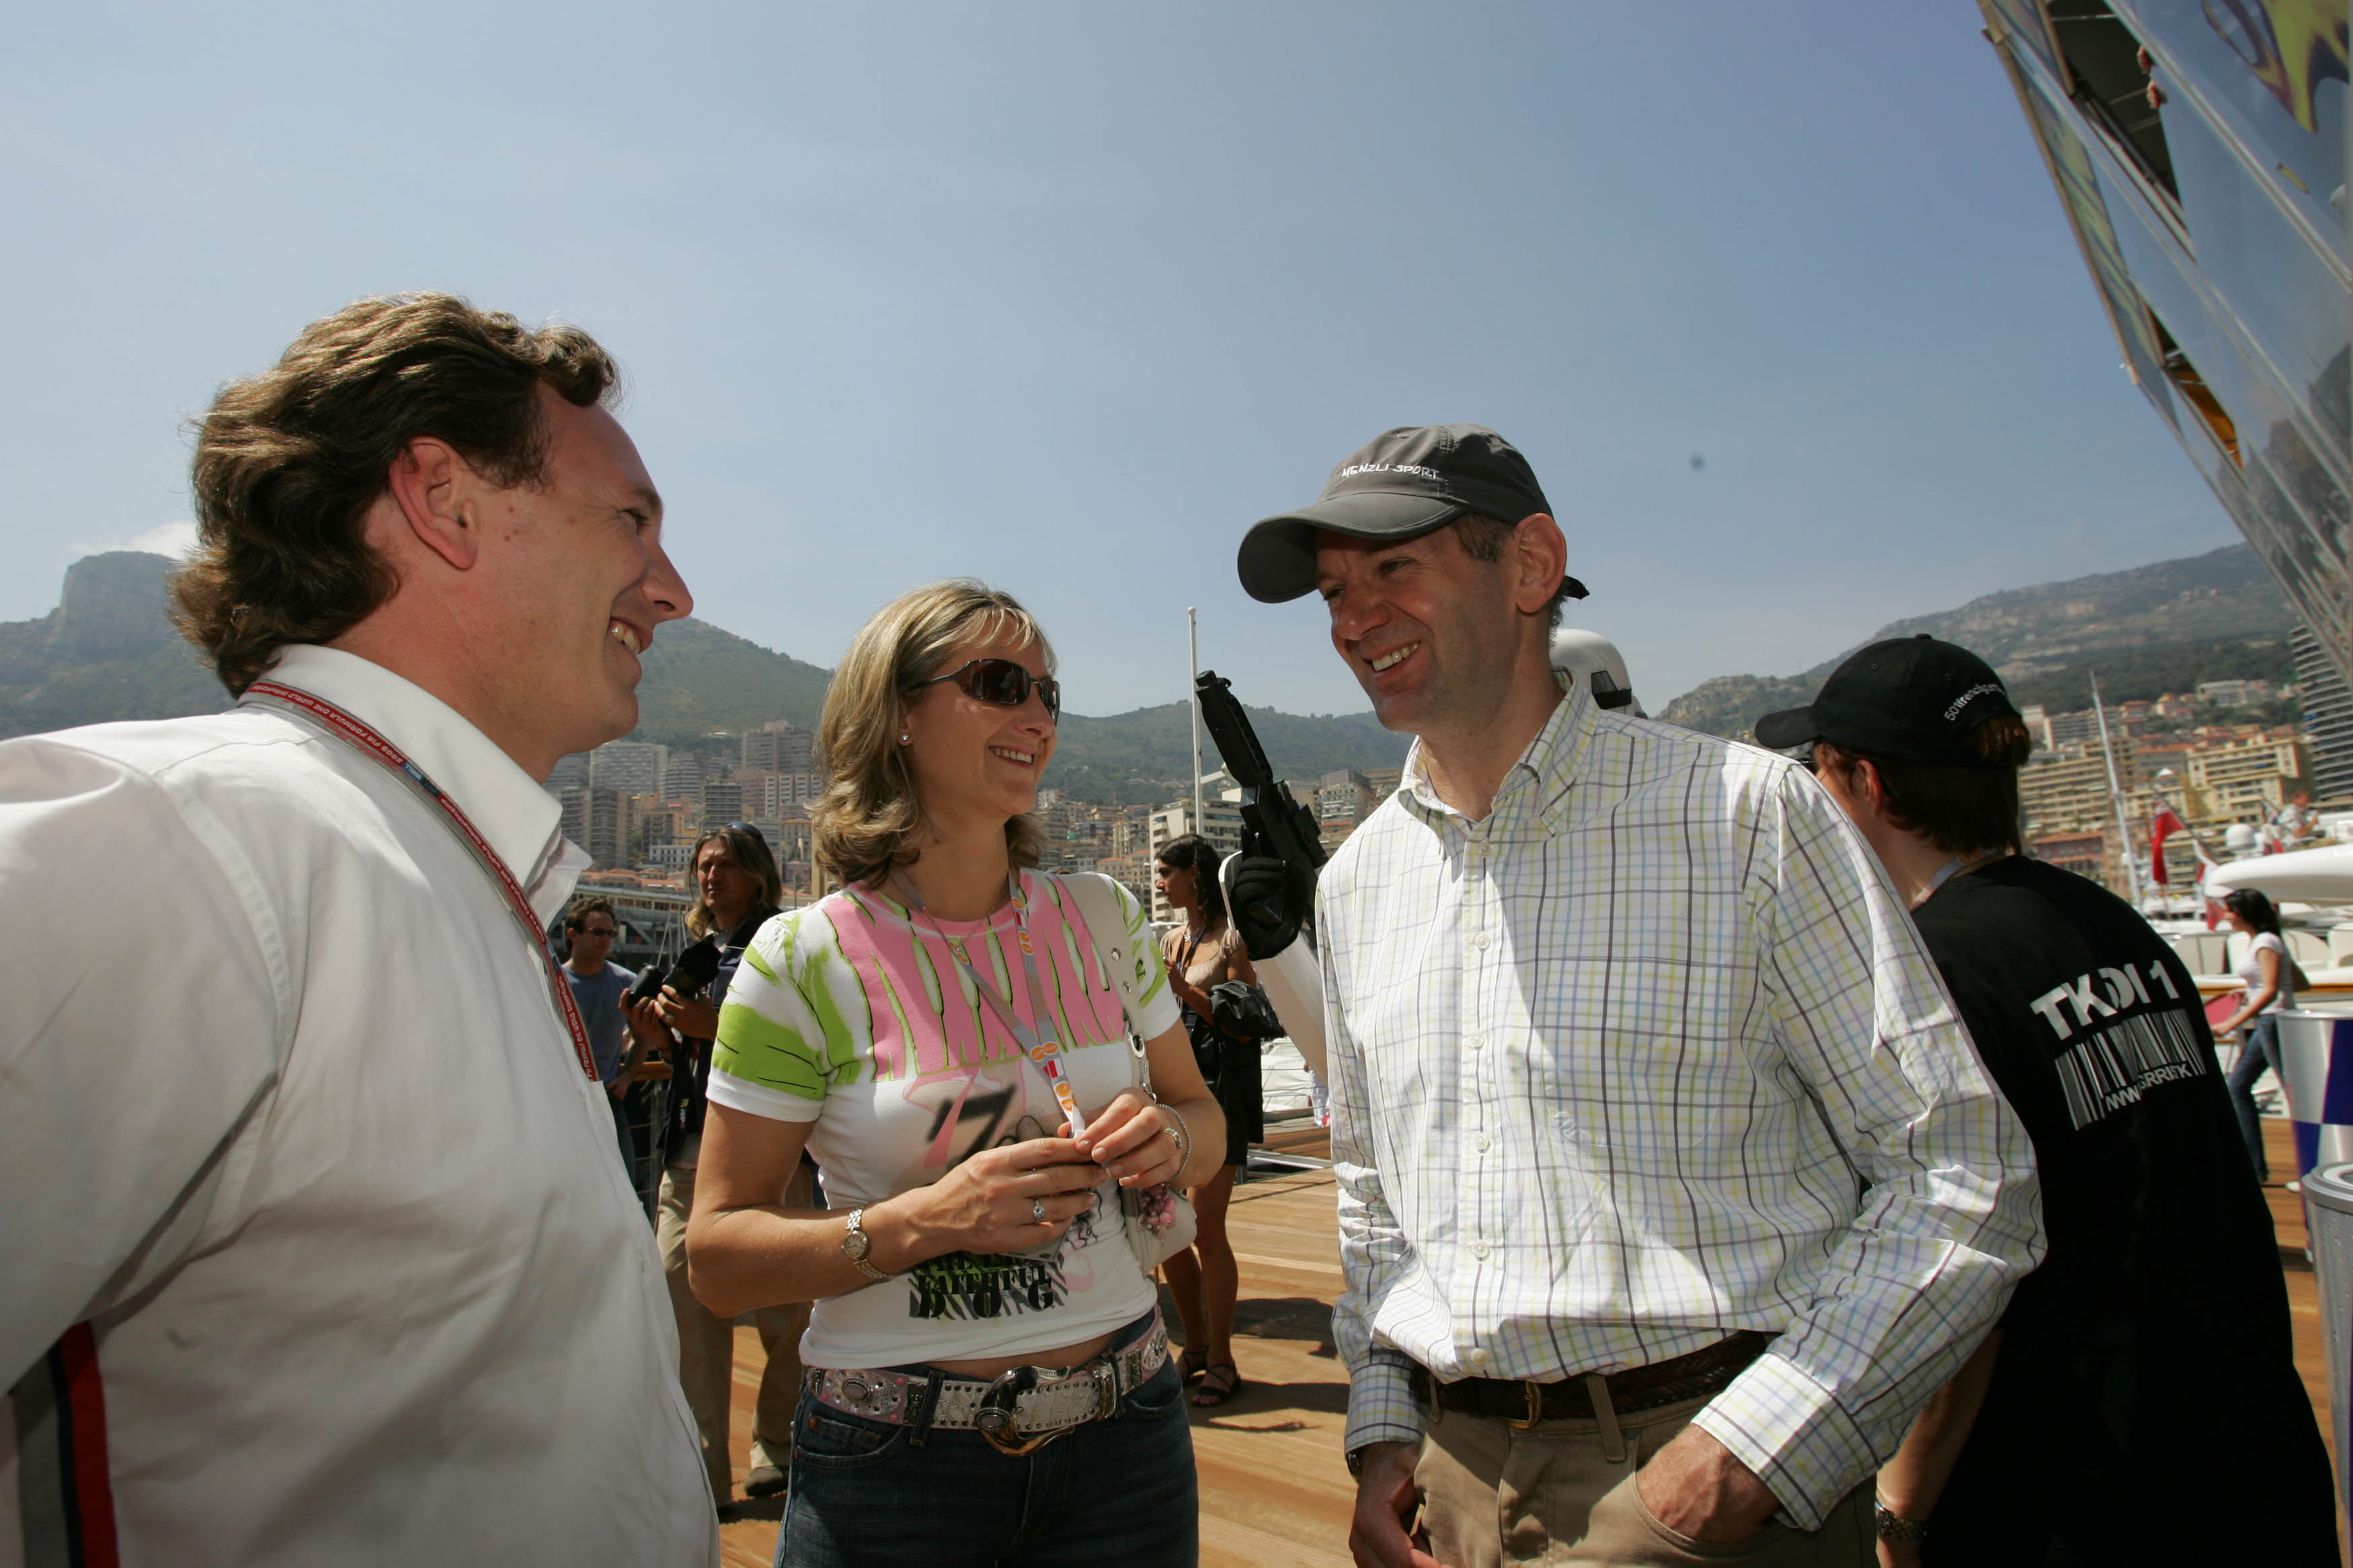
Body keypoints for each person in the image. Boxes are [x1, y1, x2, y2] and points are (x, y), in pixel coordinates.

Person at [1234, 423, 2042, 1568]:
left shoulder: (1747, 818)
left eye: (1393, 569)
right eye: (1332, 590)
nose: (1353, 620)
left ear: (1530, 566)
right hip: (1450, 1485)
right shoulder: (1361, 882)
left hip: (1706, 1483)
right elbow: (1374, 1189)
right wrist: (1382, 1430)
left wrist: (1750, 1455)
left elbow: (1965, 1171)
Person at [0, 294, 712, 1564]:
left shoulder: (434, 871)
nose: (673, 588)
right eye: (630, 520)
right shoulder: (193, 843)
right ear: (442, 497)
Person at [684, 580, 1227, 1568]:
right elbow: (718, 1255)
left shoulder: (1105, 917)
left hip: (1130, 1436)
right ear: (896, 713)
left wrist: (1174, 1138)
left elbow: (1202, 1114)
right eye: (999, 683)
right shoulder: (798, 960)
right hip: (898, 1466)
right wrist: (924, 1222)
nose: (1037, 715)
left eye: (1047, 695)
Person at [1761, 636, 2336, 1565]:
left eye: (1819, 776)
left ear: (1864, 784)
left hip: (2074, 1497)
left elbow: (1955, 1270)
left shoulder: (1929, 976)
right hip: (2245, 1458)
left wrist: (1899, 1512)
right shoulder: (2114, 925)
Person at [643, 823, 809, 1508]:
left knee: (791, 1313)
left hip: (770, 1154)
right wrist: (660, 1034)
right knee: (682, 1302)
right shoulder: (696, 954)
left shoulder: (787, 947)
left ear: (757, 875)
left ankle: (777, 1441)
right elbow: (683, 1059)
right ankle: (703, 1475)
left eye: (725, 866)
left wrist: (717, 1028)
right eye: (703, 865)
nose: (710, 876)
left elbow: (809, 1038)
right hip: (689, 1147)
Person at [1154, 832, 1261, 1407]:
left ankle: (1222, 1356)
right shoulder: (1172, 937)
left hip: (1222, 1092)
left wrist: (1182, 992)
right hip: (1175, 1091)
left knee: (1207, 1230)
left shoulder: (1231, 938)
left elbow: (1245, 1023)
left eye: (1168, 872)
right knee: (1168, 1228)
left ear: (1195, 874)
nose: (1160, 881)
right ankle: (1194, 1347)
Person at [2216, 887, 2297, 1183]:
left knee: (2292, 1092)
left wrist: (2232, 1021)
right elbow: (2298, 983)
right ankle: (2255, 1168)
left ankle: (2308, 1161)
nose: (2225, 917)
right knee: (2238, 1086)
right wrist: (2249, 991)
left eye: (2228, 911)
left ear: (2242, 913)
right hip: (2269, 1022)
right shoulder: (2266, 942)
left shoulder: (2265, 941)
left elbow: (2273, 990)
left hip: (2274, 1022)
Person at [563, 895, 647, 1180]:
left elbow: (642, 1036)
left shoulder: (626, 983)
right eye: (597, 932)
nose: (605, 940)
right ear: (573, 935)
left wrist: (628, 1076)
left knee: (623, 1181)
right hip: (562, 1097)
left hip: (608, 1099)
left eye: (610, 933)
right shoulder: (554, 984)